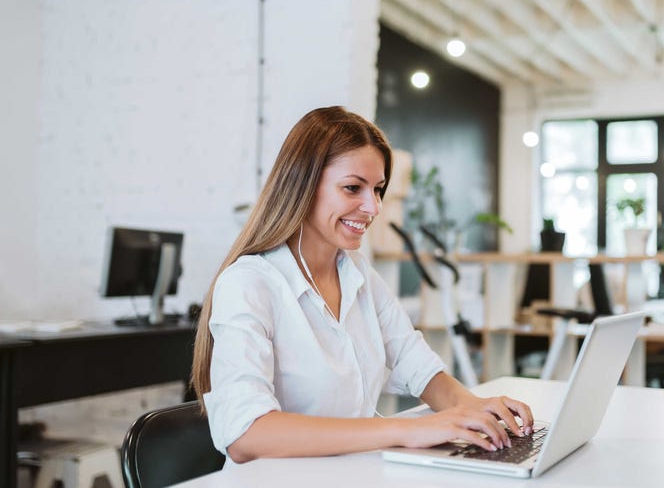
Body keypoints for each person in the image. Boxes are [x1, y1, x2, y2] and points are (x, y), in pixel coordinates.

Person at [191, 106, 533, 465]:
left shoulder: (357, 273)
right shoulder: (249, 283)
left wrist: (476, 409)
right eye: (353, 188)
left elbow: (418, 367)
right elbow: (246, 434)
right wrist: (406, 431)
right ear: (302, 184)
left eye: (378, 189)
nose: (373, 207)